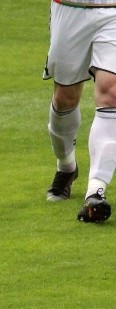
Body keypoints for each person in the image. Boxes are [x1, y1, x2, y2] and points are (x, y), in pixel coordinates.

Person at [43, 0, 115, 223]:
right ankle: (66, 167)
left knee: (111, 91)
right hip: (71, 7)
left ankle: (95, 191)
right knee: (65, 98)